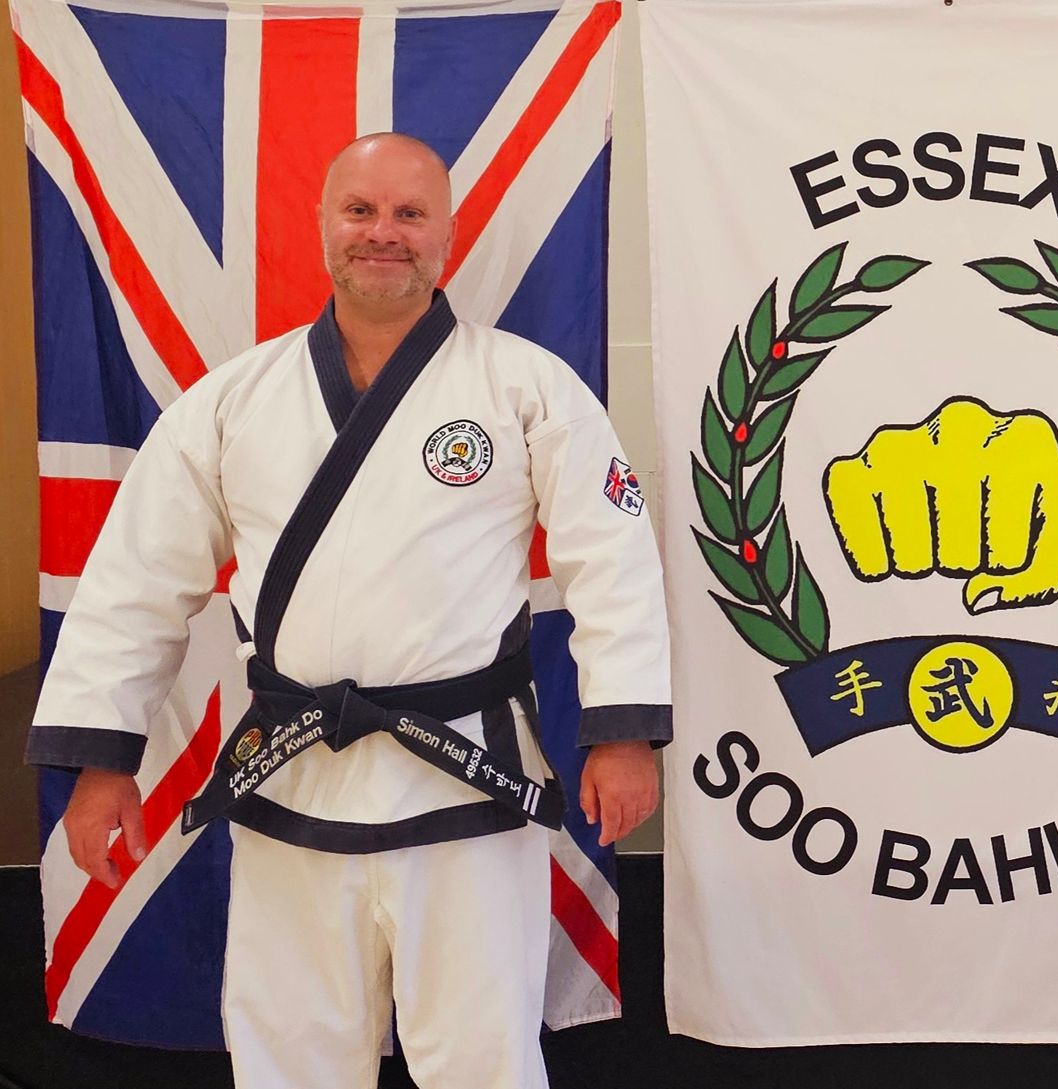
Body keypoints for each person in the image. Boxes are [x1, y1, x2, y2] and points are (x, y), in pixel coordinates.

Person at [28, 132, 670, 1088]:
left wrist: (622, 732)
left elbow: (612, 562)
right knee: (291, 1053)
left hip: (467, 774)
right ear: (324, 223)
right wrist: (101, 758)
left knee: (483, 1054)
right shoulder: (234, 400)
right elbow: (135, 582)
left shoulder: (527, 387)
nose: (383, 232)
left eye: (410, 213)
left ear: (448, 233)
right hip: (292, 773)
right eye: (360, 210)